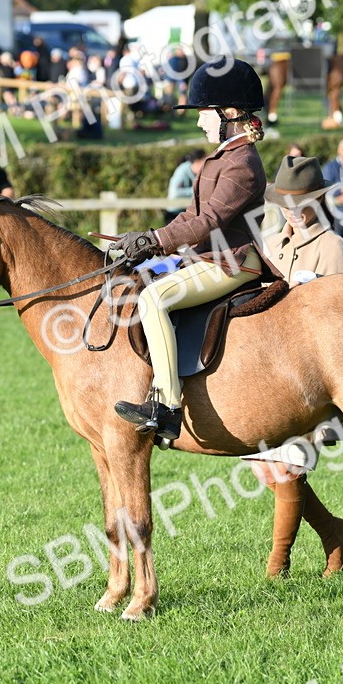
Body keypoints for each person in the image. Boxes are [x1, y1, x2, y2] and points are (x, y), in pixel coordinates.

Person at [108, 57, 271, 448]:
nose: (199, 121)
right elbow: (191, 213)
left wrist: (155, 241)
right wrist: (148, 239)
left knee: (153, 299)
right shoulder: (224, 157)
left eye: (203, 113)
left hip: (231, 261)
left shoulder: (243, 164)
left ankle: (166, 405)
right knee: (144, 282)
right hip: (207, 257)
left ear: (229, 113)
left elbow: (208, 222)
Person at [253, 154, 343, 578]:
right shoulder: (275, 242)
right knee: (271, 468)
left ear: (318, 201)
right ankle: (334, 533)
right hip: (272, 371)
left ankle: (276, 566)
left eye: (302, 204)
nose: (293, 212)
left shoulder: (332, 246)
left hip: (314, 379)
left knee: (286, 466)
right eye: (286, 203)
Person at [164, 149, 204, 224]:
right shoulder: (182, 170)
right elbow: (174, 192)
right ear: (197, 162)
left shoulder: (196, 172)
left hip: (186, 213)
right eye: (204, 162)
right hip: (173, 214)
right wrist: (195, 190)